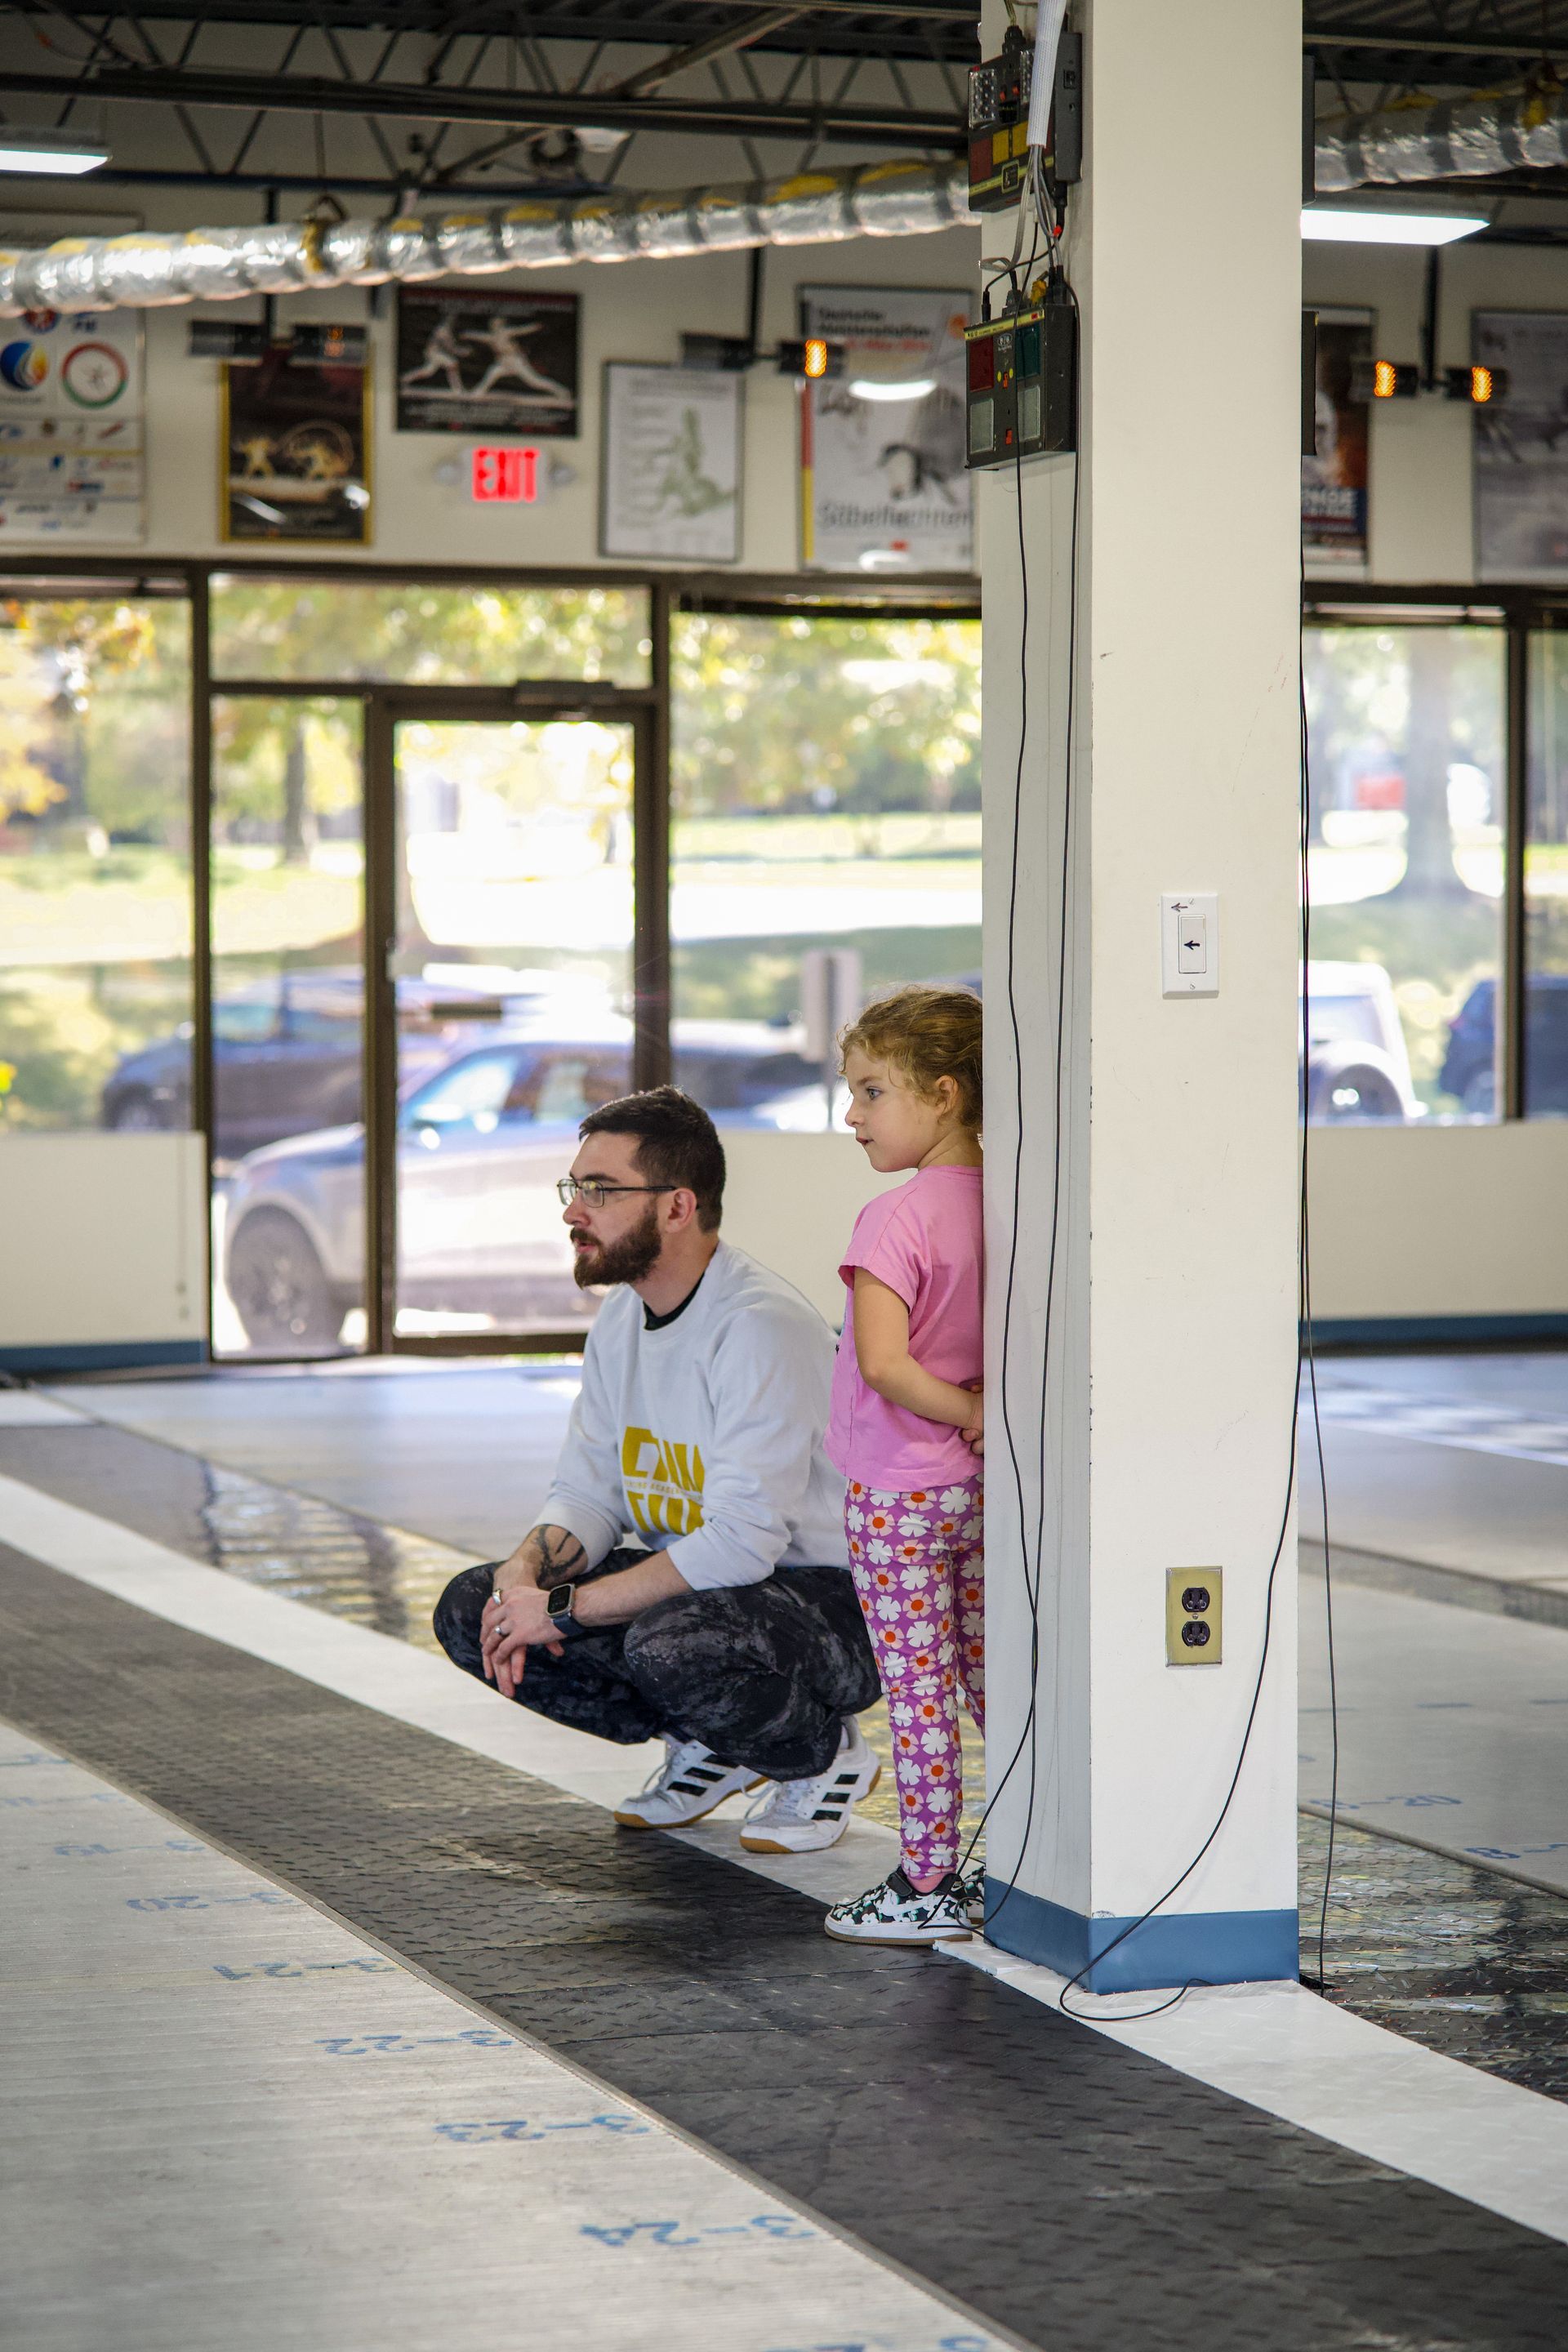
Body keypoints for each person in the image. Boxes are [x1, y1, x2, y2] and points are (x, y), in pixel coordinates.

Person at [432, 1086, 884, 1851]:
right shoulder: (621, 1319)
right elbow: (587, 1494)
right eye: (576, 1188)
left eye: (601, 1191)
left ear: (678, 1206)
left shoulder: (756, 1325)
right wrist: (523, 1578)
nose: (575, 1211)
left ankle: (822, 1755)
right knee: (472, 1607)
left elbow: (742, 1544)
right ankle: (708, 1739)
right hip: (724, 1598)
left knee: (669, 1640)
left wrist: (567, 1609)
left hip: (837, 1606)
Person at [819, 987, 986, 1947]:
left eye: (873, 1091)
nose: (854, 1114)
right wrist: (982, 1420)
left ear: (945, 1094)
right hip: (976, 1486)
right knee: (988, 1681)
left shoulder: (896, 1218)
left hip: (897, 1494)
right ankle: (1028, 1859)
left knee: (918, 1694)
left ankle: (926, 1883)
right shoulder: (1013, 1201)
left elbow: (884, 1363)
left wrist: (962, 1410)